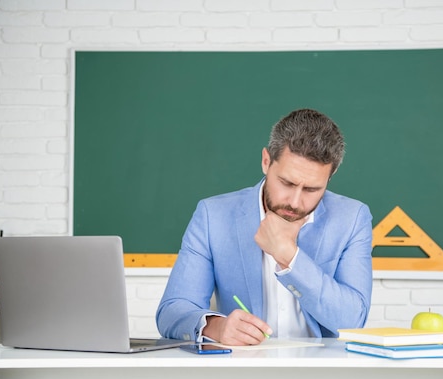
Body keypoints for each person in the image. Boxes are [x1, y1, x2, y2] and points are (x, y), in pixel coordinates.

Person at [156, 108, 373, 345]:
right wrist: (216, 327)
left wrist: (289, 256)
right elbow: (172, 311)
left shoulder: (352, 219)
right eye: (286, 182)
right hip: (245, 371)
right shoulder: (213, 216)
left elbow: (353, 320)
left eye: (312, 189)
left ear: (329, 179)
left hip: (321, 373)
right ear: (266, 161)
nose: (295, 201)